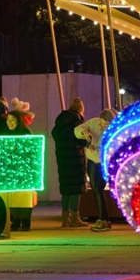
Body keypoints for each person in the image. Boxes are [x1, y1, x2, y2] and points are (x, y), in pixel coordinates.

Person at [75, 108, 118, 232]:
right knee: (96, 189)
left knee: (98, 189)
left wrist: (97, 148)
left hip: (104, 162)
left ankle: (103, 219)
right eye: (103, 123)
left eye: (106, 123)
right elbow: (77, 130)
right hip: (93, 161)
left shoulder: (113, 130)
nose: (104, 125)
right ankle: (104, 219)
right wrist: (84, 133)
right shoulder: (93, 123)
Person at [52, 97, 88, 227]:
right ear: (80, 110)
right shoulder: (77, 123)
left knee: (66, 189)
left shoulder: (59, 124)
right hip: (75, 160)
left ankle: (64, 219)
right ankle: (74, 218)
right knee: (75, 189)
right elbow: (83, 141)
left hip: (63, 160)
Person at [7, 98, 37, 231]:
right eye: (8, 120)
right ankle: (16, 220)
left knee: (24, 196)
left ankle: (25, 221)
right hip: (12, 169)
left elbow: (32, 152)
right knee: (14, 196)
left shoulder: (26, 133)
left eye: (12, 120)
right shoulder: (8, 134)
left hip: (25, 170)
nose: (9, 123)